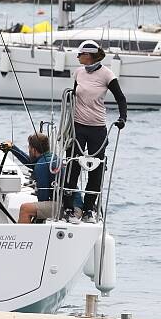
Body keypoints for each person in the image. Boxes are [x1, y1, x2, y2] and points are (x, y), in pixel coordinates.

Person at [64, 40, 127, 223]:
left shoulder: (107, 74)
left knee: (95, 169)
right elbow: (73, 96)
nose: (77, 57)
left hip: (97, 128)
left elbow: (121, 98)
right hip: (77, 126)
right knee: (73, 166)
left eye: (80, 54)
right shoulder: (78, 73)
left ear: (89, 55)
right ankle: (68, 207)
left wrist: (122, 118)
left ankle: (88, 209)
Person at [3, 133, 58, 224]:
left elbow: (43, 197)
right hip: (67, 204)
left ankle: (23, 237)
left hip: (61, 206)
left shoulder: (41, 165)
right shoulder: (49, 158)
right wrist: (12, 148)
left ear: (34, 150)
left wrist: (38, 218)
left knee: (25, 209)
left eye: (29, 147)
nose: (28, 149)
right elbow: (31, 162)